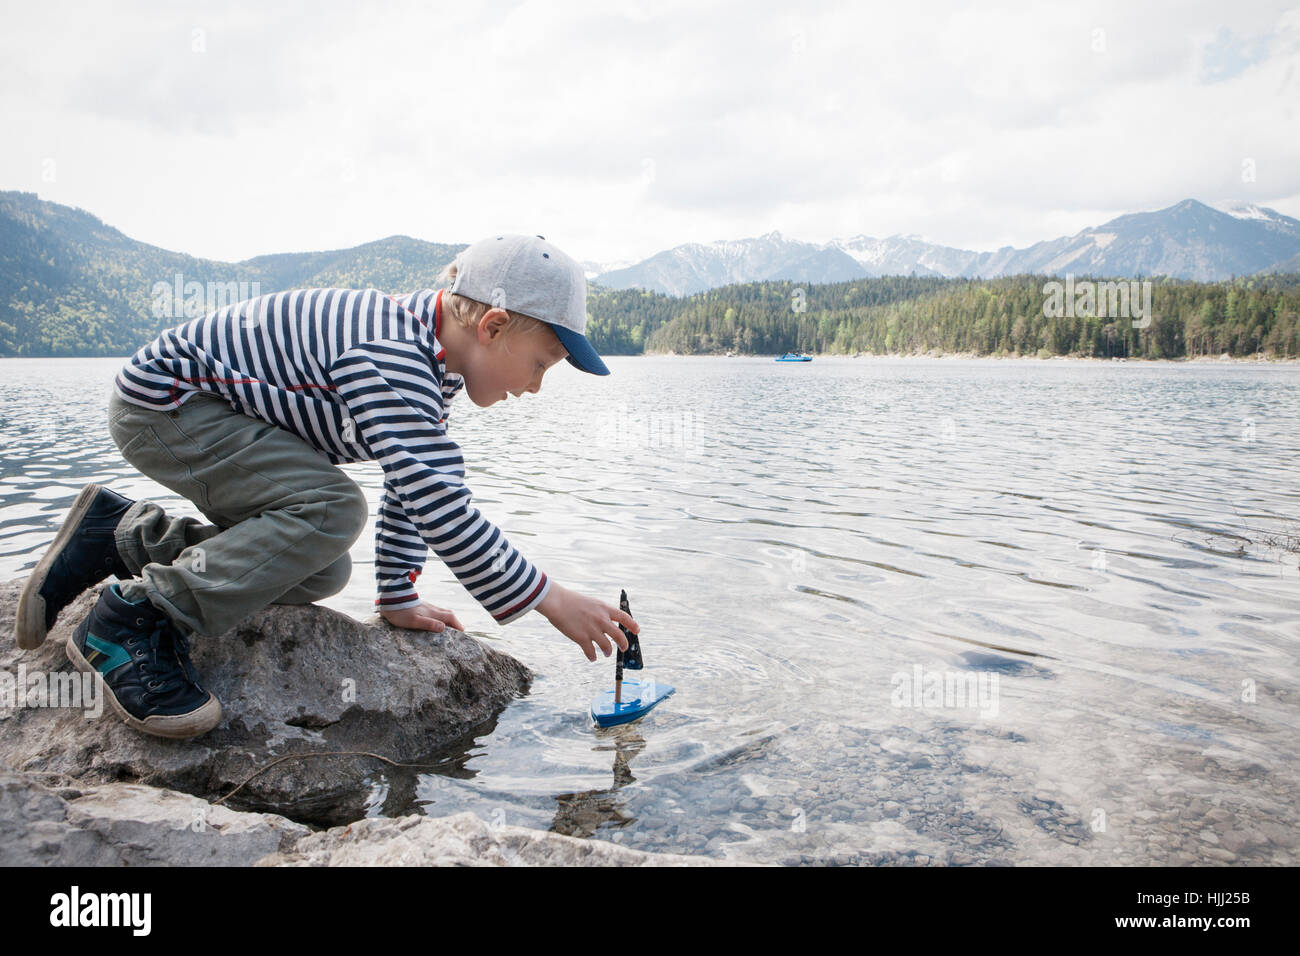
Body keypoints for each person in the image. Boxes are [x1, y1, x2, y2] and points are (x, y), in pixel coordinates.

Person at [13, 233, 637, 739]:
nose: (534, 387)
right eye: (542, 364)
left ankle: (126, 537)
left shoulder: (430, 364)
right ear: (493, 326)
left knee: (319, 571)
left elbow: (412, 487)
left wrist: (395, 595)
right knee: (335, 509)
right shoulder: (390, 351)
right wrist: (549, 597)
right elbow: (443, 506)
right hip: (169, 405)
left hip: (203, 415)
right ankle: (131, 619)